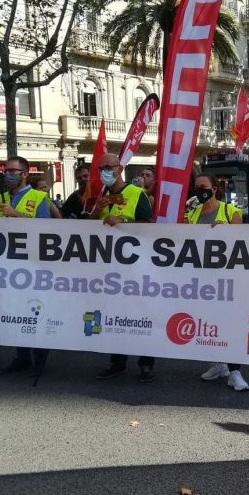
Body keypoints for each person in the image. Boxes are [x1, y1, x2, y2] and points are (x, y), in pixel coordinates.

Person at [93, 153, 155, 382]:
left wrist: (124, 223)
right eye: (101, 168)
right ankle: (117, 362)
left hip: (136, 267)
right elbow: (88, 227)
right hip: (110, 268)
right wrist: (95, 210)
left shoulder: (136, 193)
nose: (104, 172)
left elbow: (150, 226)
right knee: (113, 314)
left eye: (108, 167)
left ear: (119, 169)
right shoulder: (104, 196)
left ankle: (146, 363)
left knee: (141, 313)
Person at [187, 174, 249, 392]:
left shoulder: (230, 211)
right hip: (202, 278)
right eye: (197, 187)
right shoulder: (192, 213)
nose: (199, 190)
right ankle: (218, 363)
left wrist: (226, 229)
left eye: (203, 187)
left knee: (230, 323)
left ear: (214, 188)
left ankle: (235, 371)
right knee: (208, 321)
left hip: (226, 277)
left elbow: (241, 241)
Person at [0, 156, 52, 375]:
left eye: (13, 171)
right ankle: (21, 355)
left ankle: (40, 356)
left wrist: (17, 215)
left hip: (33, 264)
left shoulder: (38, 197)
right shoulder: (1, 197)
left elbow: (46, 231)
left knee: (34, 308)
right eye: (6, 170)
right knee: (16, 310)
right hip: (8, 263)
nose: (8, 174)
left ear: (25, 174)